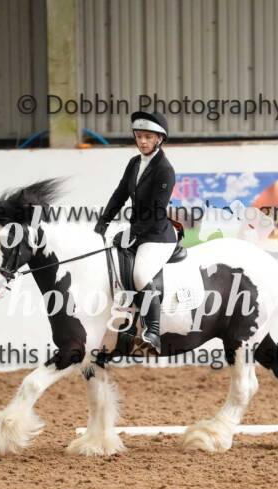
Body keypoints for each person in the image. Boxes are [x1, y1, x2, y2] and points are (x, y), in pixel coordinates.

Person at [94, 111, 177, 355]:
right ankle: (126, 326)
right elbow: (120, 193)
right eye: (139, 136)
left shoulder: (165, 170)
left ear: (159, 139)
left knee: (141, 274)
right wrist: (103, 221)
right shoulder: (134, 163)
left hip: (157, 235)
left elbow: (157, 211)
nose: (142, 141)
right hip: (139, 231)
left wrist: (132, 233)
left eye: (148, 137)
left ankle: (153, 331)